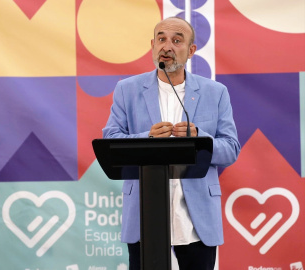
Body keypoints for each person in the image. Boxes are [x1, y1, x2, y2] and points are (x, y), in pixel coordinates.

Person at [102, 17, 240, 270]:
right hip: (145, 211)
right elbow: (111, 142)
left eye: (177, 41)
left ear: (191, 51)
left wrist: (201, 140)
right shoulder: (127, 89)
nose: (167, 46)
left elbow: (230, 149)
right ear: (152, 44)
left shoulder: (215, 92)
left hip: (196, 216)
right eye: (161, 39)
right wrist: (147, 138)